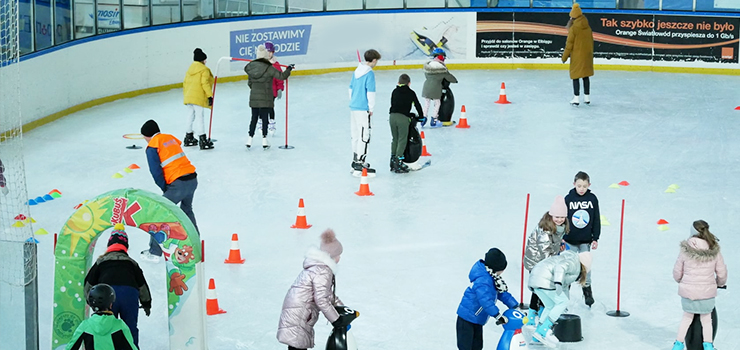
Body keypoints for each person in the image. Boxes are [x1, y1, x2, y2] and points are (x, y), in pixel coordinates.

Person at [84, 223, 151, 348]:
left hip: (107, 294)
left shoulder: (101, 262)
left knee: (108, 326)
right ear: (126, 247)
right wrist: (146, 303)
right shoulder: (132, 263)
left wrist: (91, 301)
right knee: (130, 327)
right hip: (129, 294)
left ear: (109, 246)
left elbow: (89, 284)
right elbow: (142, 286)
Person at [140, 119, 199, 261]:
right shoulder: (170, 139)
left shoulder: (153, 146)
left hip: (178, 184)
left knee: (158, 214)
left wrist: (166, 189)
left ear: (147, 136)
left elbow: (156, 172)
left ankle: (154, 252)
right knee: (187, 210)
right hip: (192, 179)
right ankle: (196, 246)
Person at [277, 229, 346, 350]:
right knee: (297, 345)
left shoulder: (318, 267)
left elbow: (326, 293)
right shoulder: (323, 271)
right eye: (338, 255)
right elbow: (321, 299)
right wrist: (336, 320)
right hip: (301, 310)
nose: (339, 258)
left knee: (296, 344)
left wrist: (341, 306)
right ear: (332, 256)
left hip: (297, 307)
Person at [671, 220, 727, 350]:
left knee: (686, 318)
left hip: (688, 293)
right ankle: (708, 345)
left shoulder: (686, 250)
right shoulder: (714, 249)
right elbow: (722, 272)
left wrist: (681, 280)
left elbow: (677, 271)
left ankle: (678, 344)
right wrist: (719, 283)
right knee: (707, 320)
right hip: (707, 293)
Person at [456, 248, 518, 350]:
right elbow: (485, 301)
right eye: (502, 269)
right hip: (466, 318)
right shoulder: (483, 280)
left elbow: (501, 293)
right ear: (496, 268)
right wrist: (498, 315)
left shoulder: (493, 277)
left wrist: (515, 305)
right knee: (466, 347)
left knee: (477, 346)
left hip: (476, 319)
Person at [528, 251, 592, 348]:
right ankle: (545, 330)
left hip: (536, 278)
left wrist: (563, 300)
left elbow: (565, 286)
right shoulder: (574, 262)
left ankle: (537, 335)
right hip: (545, 279)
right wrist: (558, 282)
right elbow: (561, 267)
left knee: (550, 305)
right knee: (562, 302)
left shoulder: (569, 257)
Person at [523, 195, 569, 326]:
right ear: (551, 215)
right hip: (536, 261)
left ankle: (543, 310)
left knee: (545, 288)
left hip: (546, 261)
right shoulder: (545, 230)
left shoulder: (561, 226)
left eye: (562, 217)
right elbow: (545, 251)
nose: (559, 220)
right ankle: (532, 314)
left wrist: (560, 243)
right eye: (557, 217)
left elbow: (555, 241)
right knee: (539, 288)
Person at [244, 44, 293, 149]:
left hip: (254, 97)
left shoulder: (252, 67)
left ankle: (249, 139)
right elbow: (281, 76)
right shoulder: (269, 68)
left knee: (254, 118)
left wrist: (255, 90)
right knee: (265, 118)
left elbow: (249, 83)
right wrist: (289, 69)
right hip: (266, 97)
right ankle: (264, 141)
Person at [564, 171, 600, 306]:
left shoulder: (592, 199)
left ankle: (587, 291)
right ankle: (565, 290)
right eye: (579, 186)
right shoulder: (568, 199)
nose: (581, 189)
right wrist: (561, 237)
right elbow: (562, 219)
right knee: (568, 266)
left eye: (584, 186)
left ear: (589, 185)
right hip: (569, 240)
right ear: (574, 184)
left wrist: (595, 238)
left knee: (586, 266)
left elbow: (596, 218)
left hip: (585, 240)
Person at [66, 283, 138, 350]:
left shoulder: (85, 326)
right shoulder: (120, 325)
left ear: (91, 305)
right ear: (110, 304)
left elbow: (71, 347)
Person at [349, 49, 381, 175]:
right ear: (373, 60)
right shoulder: (369, 73)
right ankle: (360, 162)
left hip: (354, 107)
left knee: (355, 135)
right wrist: (371, 108)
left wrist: (353, 101)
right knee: (364, 135)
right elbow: (370, 92)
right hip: (363, 108)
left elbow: (350, 89)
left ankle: (355, 159)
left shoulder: (356, 71)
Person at [388, 74, 425, 173]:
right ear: (409, 83)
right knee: (402, 139)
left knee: (395, 138)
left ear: (398, 83)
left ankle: (392, 160)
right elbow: (417, 105)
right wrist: (421, 116)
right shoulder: (411, 93)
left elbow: (393, 103)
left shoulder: (395, 91)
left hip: (392, 116)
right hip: (403, 118)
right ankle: (398, 161)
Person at [562, 3, 594, 106]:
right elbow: (591, 41)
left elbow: (569, 44)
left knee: (575, 76)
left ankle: (576, 98)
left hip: (577, 56)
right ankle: (587, 97)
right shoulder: (587, 27)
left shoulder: (574, 29)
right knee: (585, 76)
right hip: (587, 55)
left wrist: (564, 57)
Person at [182, 48, 215, 150]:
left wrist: (186, 95)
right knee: (200, 117)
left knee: (190, 116)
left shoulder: (190, 69)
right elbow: (204, 83)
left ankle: (188, 137)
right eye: (205, 60)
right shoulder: (203, 70)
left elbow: (185, 83)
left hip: (188, 96)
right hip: (198, 96)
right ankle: (202, 139)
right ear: (202, 60)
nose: (206, 62)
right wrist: (210, 95)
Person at [422, 48, 457, 128]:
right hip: (436, 89)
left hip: (426, 88)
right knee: (437, 103)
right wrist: (455, 80)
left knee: (426, 104)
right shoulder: (442, 69)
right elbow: (450, 78)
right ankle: (433, 119)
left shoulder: (428, 66)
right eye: (442, 58)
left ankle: (423, 118)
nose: (443, 59)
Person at [266, 41, 284, 135]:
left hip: (272, 91)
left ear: (273, 52)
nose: (268, 54)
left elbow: (279, 77)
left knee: (270, 106)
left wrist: (280, 88)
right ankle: (262, 123)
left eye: (270, 52)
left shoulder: (275, 64)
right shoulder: (261, 63)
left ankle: (271, 123)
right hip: (262, 90)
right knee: (261, 107)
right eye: (267, 52)